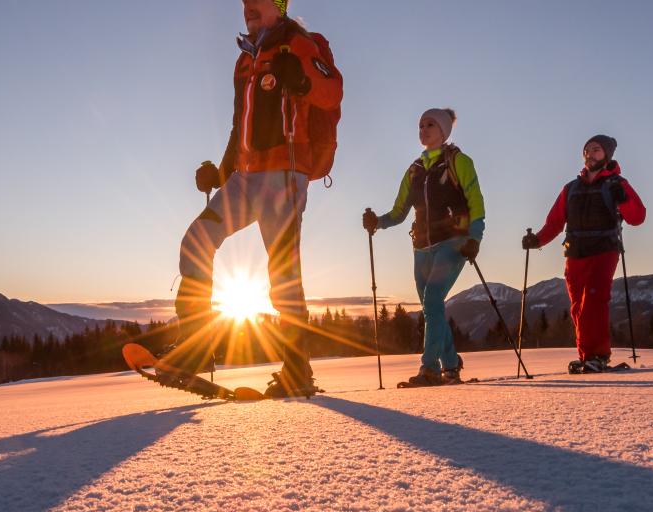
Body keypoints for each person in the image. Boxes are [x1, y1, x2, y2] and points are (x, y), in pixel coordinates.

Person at [171, 0, 342, 398]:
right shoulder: (244, 59)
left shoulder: (298, 44)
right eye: (244, 3)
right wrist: (222, 171)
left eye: (257, 2)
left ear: (278, 7)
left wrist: (301, 80)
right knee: (196, 242)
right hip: (245, 178)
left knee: (282, 276)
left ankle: (297, 371)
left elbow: (331, 92)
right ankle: (193, 349)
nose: (247, 8)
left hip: (285, 173)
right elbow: (239, 124)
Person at [362, 108, 485, 386]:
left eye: (430, 124)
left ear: (443, 131)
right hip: (421, 246)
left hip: (453, 242)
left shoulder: (459, 162)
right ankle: (451, 365)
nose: (423, 129)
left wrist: (474, 238)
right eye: (420, 125)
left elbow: (476, 202)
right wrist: (377, 222)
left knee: (431, 302)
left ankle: (429, 368)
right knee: (433, 308)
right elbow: (398, 212)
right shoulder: (414, 171)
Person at [521, 134, 647, 373]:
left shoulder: (617, 184)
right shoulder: (571, 188)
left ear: (607, 154)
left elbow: (637, 217)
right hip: (575, 253)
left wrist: (624, 199)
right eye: (587, 150)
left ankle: (597, 355)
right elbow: (555, 222)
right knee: (578, 306)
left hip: (604, 250)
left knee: (594, 302)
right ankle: (587, 355)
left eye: (596, 149)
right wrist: (537, 240)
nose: (590, 154)